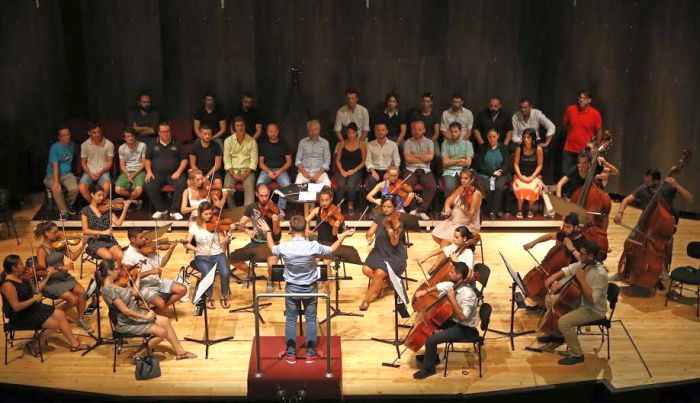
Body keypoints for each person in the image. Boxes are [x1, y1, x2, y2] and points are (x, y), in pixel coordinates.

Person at [257, 215, 354, 364]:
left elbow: (272, 249)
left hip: (292, 289)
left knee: (290, 320)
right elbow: (330, 250)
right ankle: (310, 353)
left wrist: (268, 232)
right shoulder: (312, 246)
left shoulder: (285, 247)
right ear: (305, 229)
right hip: (310, 289)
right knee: (311, 320)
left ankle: (290, 354)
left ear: (290, 229)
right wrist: (343, 237)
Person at [99, 259, 196, 360]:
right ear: (109, 272)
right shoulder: (108, 290)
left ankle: (181, 353)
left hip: (136, 314)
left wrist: (139, 274)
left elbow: (135, 292)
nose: (119, 270)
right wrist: (145, 317)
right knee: (162, 332)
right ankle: (139, 354)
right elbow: (125, 311)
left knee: (165, 321)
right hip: (127, 321)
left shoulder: (115, 283)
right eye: (116, 269)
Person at [538, 240, 608, 365]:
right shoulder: (584, 263)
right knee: (550, 299)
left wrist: (582, 280)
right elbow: (569, 269)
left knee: (564, 322)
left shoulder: (600, 275)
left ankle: (577, 354)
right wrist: (554, 277)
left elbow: (592, 300)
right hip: (580, 301)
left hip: (593, 310)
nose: (579, 256)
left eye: (582, 254)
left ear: (591, 256)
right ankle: (557, 335)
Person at [1, 255, 88, 356]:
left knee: (60, 314)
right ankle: (34, 345)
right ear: (14, 268)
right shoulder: (8, 285)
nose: (23, 266)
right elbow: (16, 307)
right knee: (55, 324)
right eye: (20, 264)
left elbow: (36, 290)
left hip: (31, 308)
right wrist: (34, 299)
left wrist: (47, 276)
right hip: (21, 315)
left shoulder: (20, 277)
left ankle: (75, 344)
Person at [411, 262, 479, 379]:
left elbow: (463, 317)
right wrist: (426, 291)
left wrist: (452, 298)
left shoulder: (468, 295)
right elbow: (440, 286)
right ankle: (431, 358)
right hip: (455, 321)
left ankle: (429, 369)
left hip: (465, 328)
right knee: (430, 325)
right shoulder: (454, 284)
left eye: (452, 272)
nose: (449, 273)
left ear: (459, 276)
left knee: (432, 340)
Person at [34, 221, 92, 333]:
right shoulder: (42, 250)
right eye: (55, 232)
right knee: (73, 299)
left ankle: (81, 319)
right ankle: (54, 316)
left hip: (64, 277)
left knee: (81, 292)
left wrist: (83, 245)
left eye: (58, 231)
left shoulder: (60, 244)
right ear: (46, 233)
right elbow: (42, 272)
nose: (58, 234)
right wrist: (62, 268)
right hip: (51, 281)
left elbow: (73, 257)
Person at [122, 227, 187, 315]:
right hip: (143, 287)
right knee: (161, 304)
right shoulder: (128, 257)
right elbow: (130, 277)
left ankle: (156, 311)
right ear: (133, 239)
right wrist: (151, 272)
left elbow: (162, 263)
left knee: (182, 289)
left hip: (157, 281)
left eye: (144, 236)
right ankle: (159, 308)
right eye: (141, 238)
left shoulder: (148, 248)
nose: (145, 239)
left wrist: (171, 249)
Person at [232, 183, 282, 293]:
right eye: (261, 196)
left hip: (272, 243)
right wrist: (247, 230)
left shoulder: (275, 209)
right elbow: (240, 224)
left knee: (272, 266)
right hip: (255, 243)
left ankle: (270, 280)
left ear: (269, 194)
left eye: (266, 195)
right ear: (256, 194)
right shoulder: (251, 207)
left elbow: (277, 233)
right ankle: (251, 273)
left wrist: (275, 222)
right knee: (234, 259)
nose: (264, 199)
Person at [361, 196, 408, 310]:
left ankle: (366, 299)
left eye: (389, 207)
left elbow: (394, 243)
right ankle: (384, 284)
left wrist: (391, 233)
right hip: (379, 251)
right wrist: (369, 238)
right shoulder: (379, 217)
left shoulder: (398, 222)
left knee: (378, 273)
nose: (386, 209)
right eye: (384, 207)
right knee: (365, 269)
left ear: (394, 207)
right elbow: (369, 232)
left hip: (394, 254)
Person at [184, 202, 233, 309]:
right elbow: (186, 243)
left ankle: (224, 295)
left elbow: (224, 241)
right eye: (206, 214)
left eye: (210, 213)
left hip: (218, 253)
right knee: (207, 274)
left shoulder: (216, 224)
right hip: (201, 256)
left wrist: (229, 232)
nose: (209, 216)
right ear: (200, 214)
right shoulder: (194, 226)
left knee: (225, 273)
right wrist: (199, 249)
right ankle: (209, 297)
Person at [615, 168, 694, 224]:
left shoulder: (667, 188)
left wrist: (677, 185)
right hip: (645, 223)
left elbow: (690, 199)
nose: (645, 184)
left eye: (648, 182)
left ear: (656, 181)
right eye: (645, 181)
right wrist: (620, 212)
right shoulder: (644, 188)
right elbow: (626, 200)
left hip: (663, 224)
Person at [143, 122, 189, 220]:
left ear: (170, 132)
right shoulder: (152, 143)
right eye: (163, 132)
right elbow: (147, 159)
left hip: (174, 173)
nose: (165, 134)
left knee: (182, 183)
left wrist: (178, 172)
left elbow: (185, 159)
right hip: (157, 174)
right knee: (149, 184)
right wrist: (149, 172)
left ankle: (174, 210)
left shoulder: (177, 143)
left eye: (167, 131)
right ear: (159, 133)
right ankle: (161, 209)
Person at [306, 188, 344, 292]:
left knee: (326, 262)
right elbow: (305, 220)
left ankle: (326, 287)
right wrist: (307, 230)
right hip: (320, 242)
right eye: (322, 200)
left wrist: (336, 226)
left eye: (326, 200)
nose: (324, 202)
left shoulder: (335, 212)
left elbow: (334, 234)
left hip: (332, 243)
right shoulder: (316, 210)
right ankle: (318, 279)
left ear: (331, 199)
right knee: (313, 260)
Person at [80, 185, 129, 264]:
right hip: (95, 241)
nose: (102, 198)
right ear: (92, 195)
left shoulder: (107, 208)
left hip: (109, 240)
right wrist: (103, 232)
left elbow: (119, 224)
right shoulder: (85, 211)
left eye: (103, 195)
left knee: (121, 256)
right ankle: (107, 273)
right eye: (99, 195)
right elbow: (85, 230)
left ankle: (117, 273)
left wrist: (125, 209)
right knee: (109, 257)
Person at [432, 169, 482, 244]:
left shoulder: (476, 194)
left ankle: (456, 249)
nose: (463, 180)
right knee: (435, 234)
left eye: (466, 178)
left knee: (445, 240)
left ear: (472, 179)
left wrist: (464, 210)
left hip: (467, 224)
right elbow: (449, 199)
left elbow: (470, 216)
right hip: (454, 221)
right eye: (461, 178)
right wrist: (447, 206)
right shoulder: (461, 188)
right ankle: (458, 248)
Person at [562, 91, 603, 175]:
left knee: (582, 175)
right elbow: (565, 123)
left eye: (584, 98)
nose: (581, 100)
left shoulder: (595, 114)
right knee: (567, 173)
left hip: (585, 151)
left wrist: (597, 146)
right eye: (580, 98)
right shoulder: (570, 109)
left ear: (589, 100)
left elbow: (599, 130)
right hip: (569, 148)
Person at [403, 120, 437, 220]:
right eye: (415, 129)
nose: (417, 131)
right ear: (412, 130)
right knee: (405, 187)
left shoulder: (429, 142)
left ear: (424, 130)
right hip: (411, 169)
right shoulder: (408, 142)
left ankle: (420, 210)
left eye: (419, 129)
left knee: (432, 187)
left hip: (425, 169)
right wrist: (423, 157)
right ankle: (413, 208)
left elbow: (430, 157)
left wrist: (415, 155)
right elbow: (408, 159)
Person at [475, 129, 511, 219]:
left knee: (498, 187)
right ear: (487, 137)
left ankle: (493, 212)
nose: (492, 139)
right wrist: (492, 172)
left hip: (501, 174)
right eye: (490, 137)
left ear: (498, 136)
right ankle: (493, 209)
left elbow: (506, 164)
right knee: (489, 188)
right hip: (485, 174)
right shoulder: (482, 147)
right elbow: (480, 164)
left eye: (494, 137)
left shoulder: (503, 148)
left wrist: (498, 173)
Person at [256, 123, 293, 210]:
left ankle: (280, 210)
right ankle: (263, 208)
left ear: (278, 131)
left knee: (286, 185)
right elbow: (261, 163)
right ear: (267, 132)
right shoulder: (263, 144)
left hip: (281, 170)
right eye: (270, 131)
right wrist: (268, 171)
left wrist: (279, 171)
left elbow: (289, 162)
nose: (273, 133)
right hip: (267, 169)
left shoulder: (284, 143)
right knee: (259, 184)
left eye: (275, 131)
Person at [223, 116, 258, 207]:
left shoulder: (252, 141)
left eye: (242, 125)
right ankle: (233, 210)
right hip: (232, 171)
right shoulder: (228, 141)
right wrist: (233, 174)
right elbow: (226, 160)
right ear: (234, 128)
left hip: (247, 171)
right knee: (226, 187)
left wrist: (245, 175)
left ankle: (247, 212)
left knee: (250, 186)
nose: (240, 127)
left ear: (245, 126)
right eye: (237, 125)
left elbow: (253, 162)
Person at [44, 126, 79, 218]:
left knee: (74, 188)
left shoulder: (72, 145)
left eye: (68, 134)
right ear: (59, 137)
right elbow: (55, 166)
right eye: (63, 135)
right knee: (57, 188)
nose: (66, 137)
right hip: (52, 174)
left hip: (67, 174)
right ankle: (64, 212)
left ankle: (68, 205)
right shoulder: (54, 148)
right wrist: (56, 182)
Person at [334, 122, 366, 213]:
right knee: (341, 185)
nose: (351, 135)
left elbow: (364, 161)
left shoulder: (362, 144)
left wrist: (354, 170)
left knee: (351, 185)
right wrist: (341, 170)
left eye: (353, 132)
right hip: (342, 169)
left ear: (356, 133)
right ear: (346, 133)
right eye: (349, 133)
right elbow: (338, 160)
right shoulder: (342, 143)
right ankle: (339, 205)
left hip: (356, 170)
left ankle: (350, 204)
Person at [78, 122, 114, 203]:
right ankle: (94, 204)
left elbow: (110, 162)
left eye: (98, 132)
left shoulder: (109, 144)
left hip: (103, 171)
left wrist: (100, 172)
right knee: (81, 187)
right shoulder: (84, 145)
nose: (97, 134)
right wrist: (90, 173)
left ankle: (101, 204)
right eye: (94, 132)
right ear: (89, 133)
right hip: (89, 171)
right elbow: (83, 163)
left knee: (107, 186)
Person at [512, 129, 544, 219]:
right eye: (524, 137)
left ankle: (530, 209)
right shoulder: (519, 148)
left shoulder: (538, 149)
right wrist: (521, 176)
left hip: (533, 176)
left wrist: (532, 177)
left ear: (533, 138)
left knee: (532, 188)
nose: (525, 139)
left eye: (528, 137)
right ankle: (519, 209)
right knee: (522, 187)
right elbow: (516, 164)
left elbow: (540, 165)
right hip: (520, 175)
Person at [441, 122, 474, 197]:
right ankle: (449, 206)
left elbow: (468, 162)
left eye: (456, 131)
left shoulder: (467, 144)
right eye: (451, 132)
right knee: (450, 186)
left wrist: (451, 161)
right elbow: (445, 162)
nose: (453, 134)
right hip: (449, 171)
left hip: (463, 170)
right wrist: (460, 160)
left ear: (460, 131)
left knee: (469, 185)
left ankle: (466, 206)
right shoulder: (445, 144)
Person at [295, 120, 332, 187]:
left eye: (315, 129)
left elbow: (327, 161)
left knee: (327, 185)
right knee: (297, 185)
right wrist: (304, 172)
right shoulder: (302, 142)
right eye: (310, 130)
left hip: (320, 173)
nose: (313, 132)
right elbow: (298, 160)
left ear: (319, 129)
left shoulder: (325, 143)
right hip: (304, 172)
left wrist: (318, 174)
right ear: (307, 130)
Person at [188, 124, 224, 191]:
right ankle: (199, 200)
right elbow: (192, 165)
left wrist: (207, 176)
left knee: (218, 183)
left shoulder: (216, 146)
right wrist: (201, 176)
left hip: (213, 172)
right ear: (201, 134)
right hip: (199, 172)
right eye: (205, 134)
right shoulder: (194, 146)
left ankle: (215, 201)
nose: (207, 136)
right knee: (193, 182)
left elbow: (218, 165)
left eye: (209, 134)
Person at [115, 128, 147, 202]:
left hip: (139, 171)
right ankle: (135, 201)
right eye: (128, 136)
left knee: (138, 190)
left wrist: (134, 174)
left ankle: (128, 203)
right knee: (117, 190)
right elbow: (122, 165)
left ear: (135, 136)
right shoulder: (122, 148)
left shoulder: (142, 145)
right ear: (124, 138)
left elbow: (143, 163)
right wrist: (128, 174)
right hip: (127, 171)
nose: (130, 138)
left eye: (132, 136)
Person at [365, 123, 401, 188]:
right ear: (375, 132)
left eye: (382, 130)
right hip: (375, 170)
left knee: (388, 185)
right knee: (372, 182)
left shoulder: (393, 145)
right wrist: (373, 172)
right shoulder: (370, 144)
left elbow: (397, 161)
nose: (380, 132)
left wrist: (389, 172)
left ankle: (386, 198)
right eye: (378, 130)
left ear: (386, 131)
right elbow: (368, 161)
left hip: (388, 170)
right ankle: (373, 198)